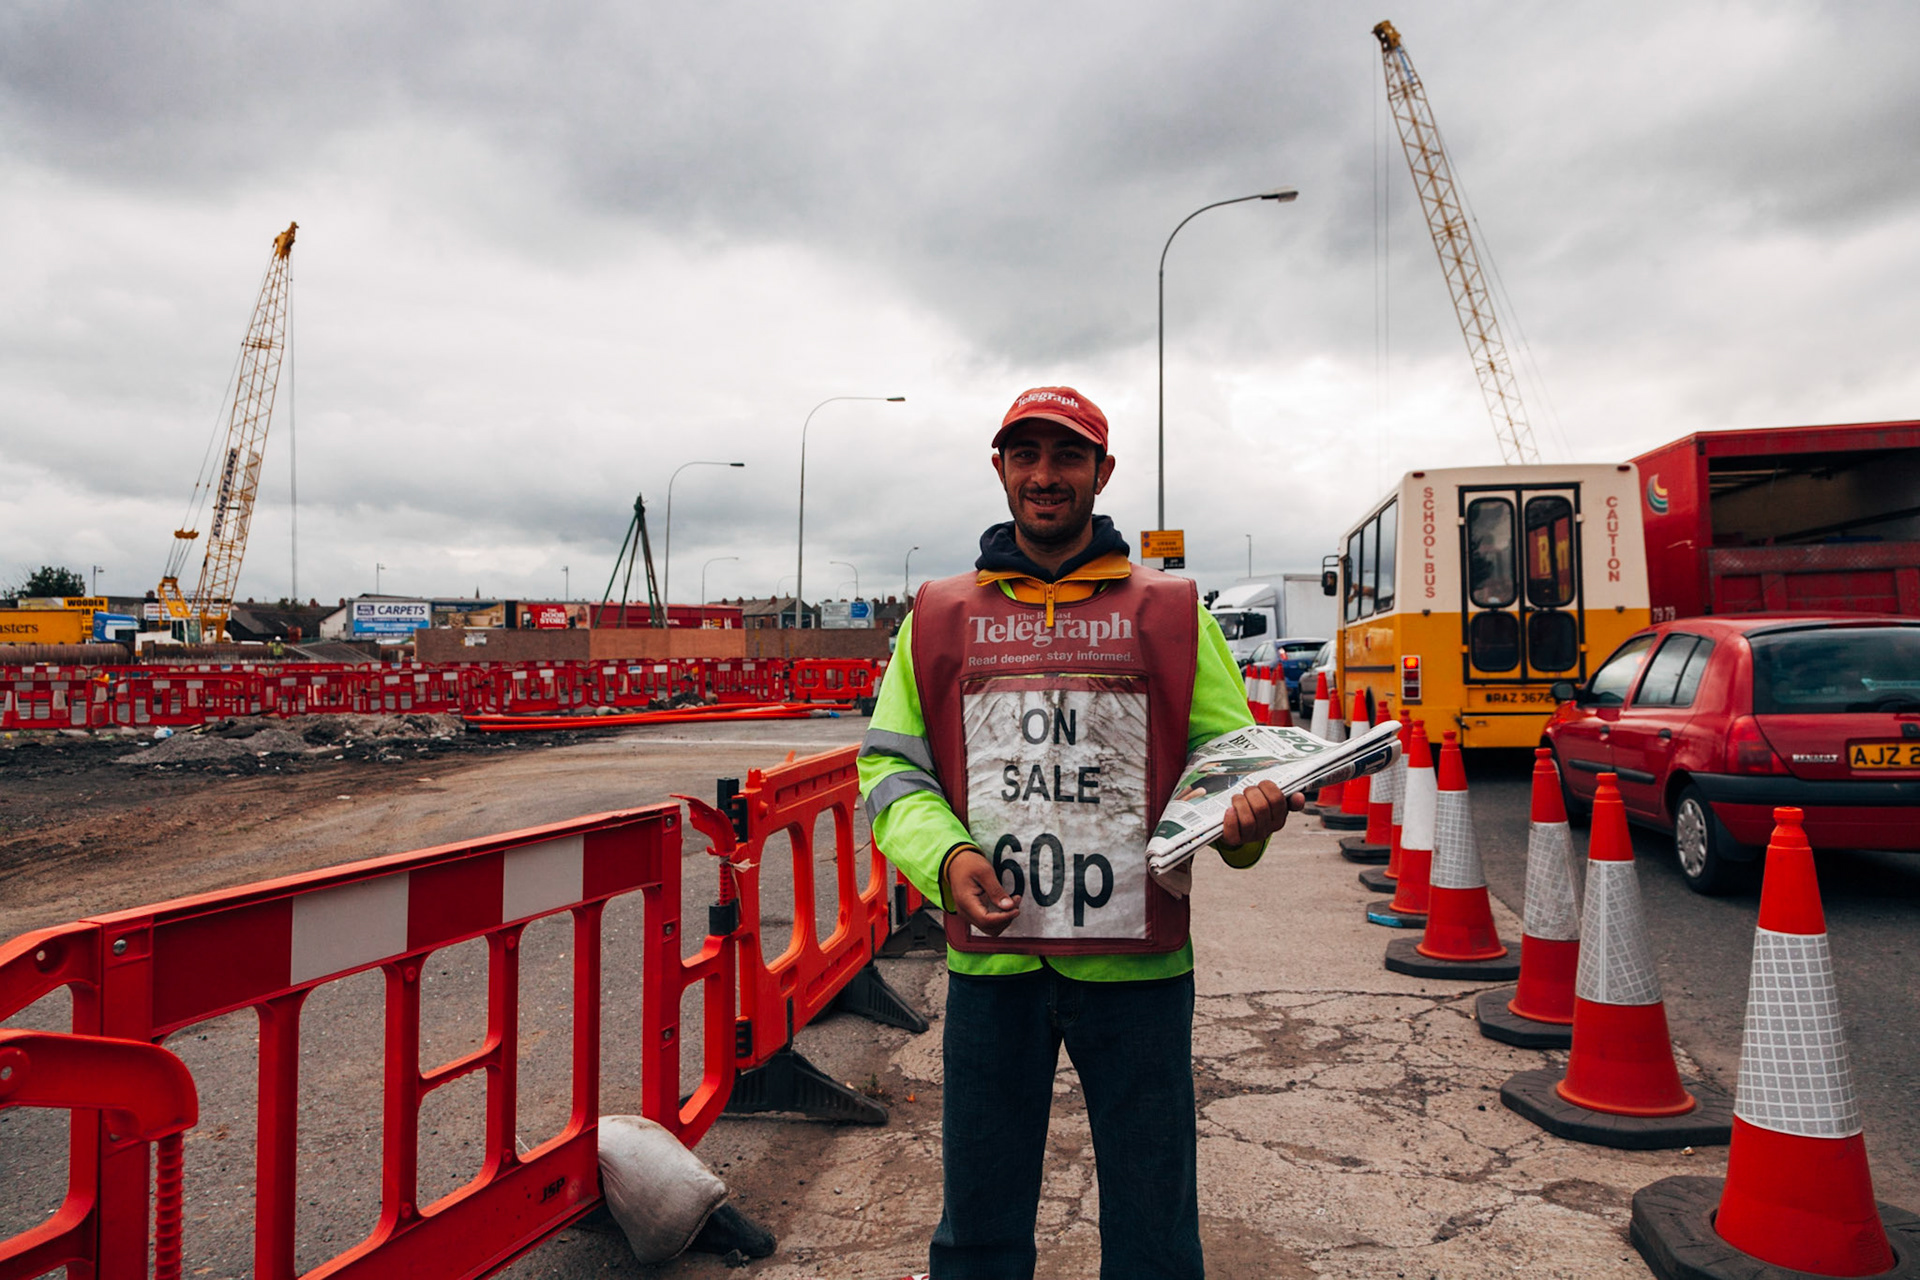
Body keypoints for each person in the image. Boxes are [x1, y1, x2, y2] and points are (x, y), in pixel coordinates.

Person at [858, 386, 1300, 1279]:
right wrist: (944, 858)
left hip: (1138, 969)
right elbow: (892, 768)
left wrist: (1248, 822)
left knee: (1153, 1224)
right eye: (1026, 456)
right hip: (995, 967)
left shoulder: (1171, 611)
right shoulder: (940, 615)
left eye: (1067, 457)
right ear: (1001, 470)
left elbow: (1229, 762)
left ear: (1102, 472)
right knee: (978, 1224)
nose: (1045, 477)